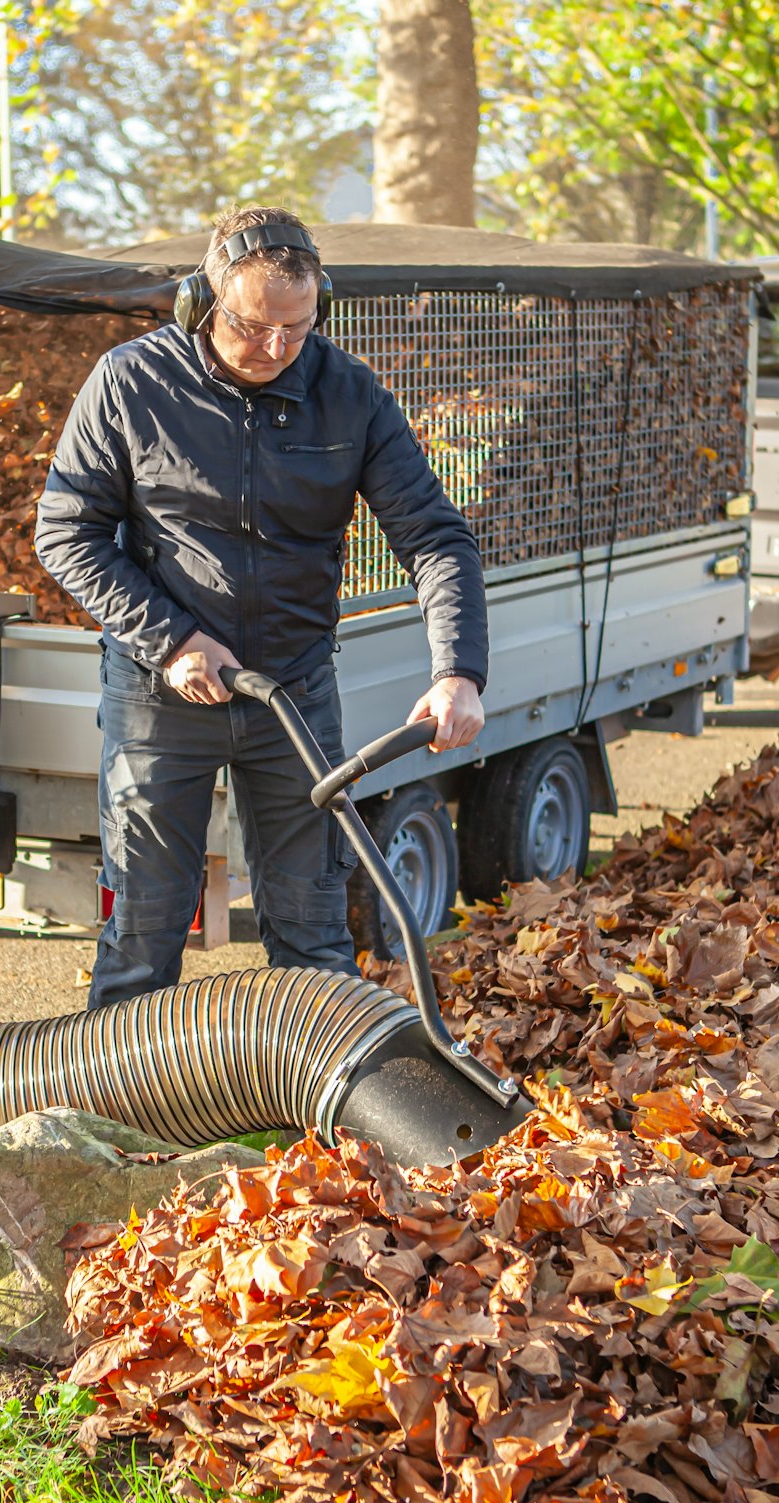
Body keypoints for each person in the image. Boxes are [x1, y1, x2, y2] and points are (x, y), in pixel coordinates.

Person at [35, 205, 488, 1009]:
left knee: (312, 929)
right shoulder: (132, 384)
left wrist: (458, 670)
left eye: (298, 326)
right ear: (201, 302)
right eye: (254, 325)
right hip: (160, 695)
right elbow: (68, 535)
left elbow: (435, 539)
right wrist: (172, 638)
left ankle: (319, 1118)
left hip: (294, 695)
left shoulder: (350, 396)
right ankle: (118, 1118)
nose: (277, 347)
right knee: (144, 928)